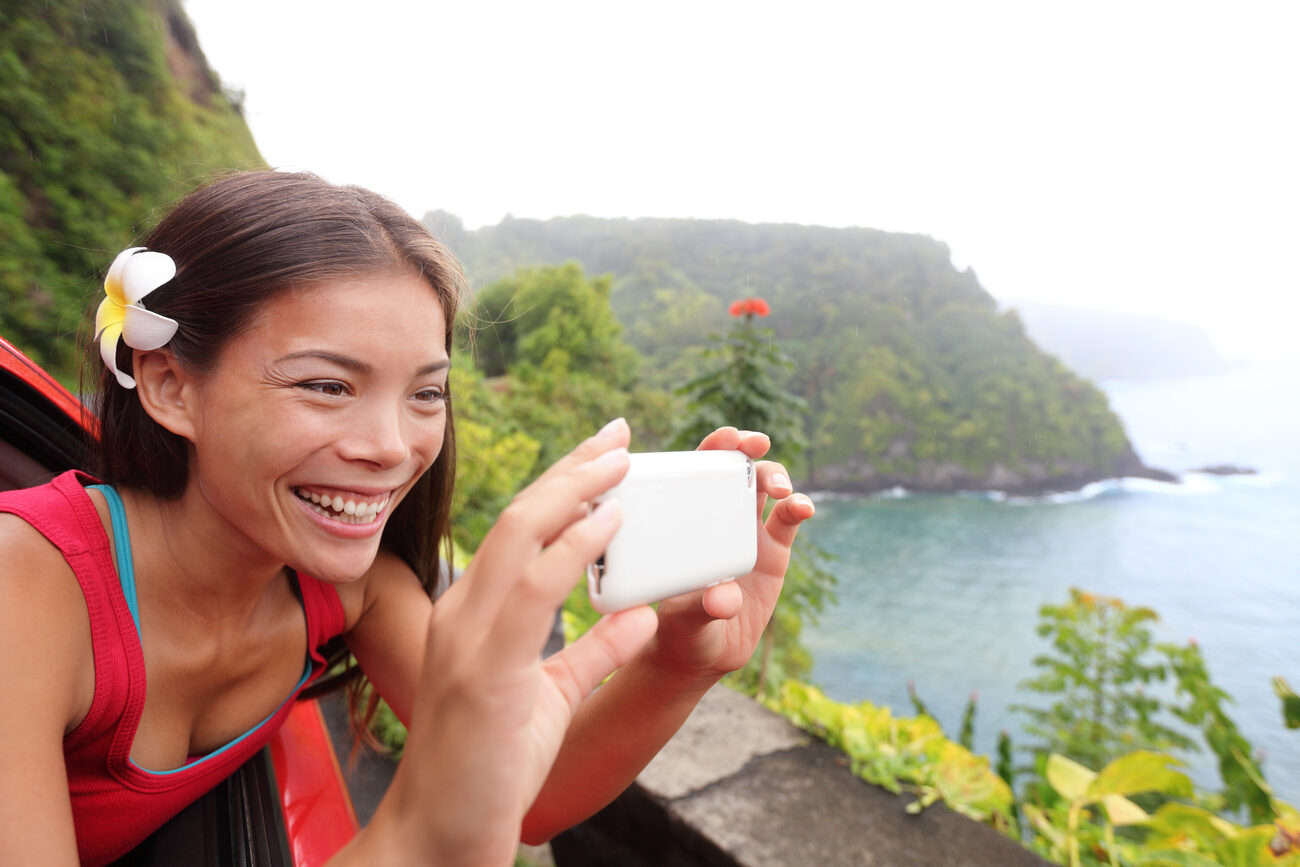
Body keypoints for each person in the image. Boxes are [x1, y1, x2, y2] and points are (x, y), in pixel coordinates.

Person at [0, 171, 815, 866]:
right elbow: (453, 817)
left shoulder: (344, 591)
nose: (392, 448)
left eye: (425, 392)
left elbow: (516, 788)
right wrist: (419, 837)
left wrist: (680, 664)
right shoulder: (27, 591)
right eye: (327, 385)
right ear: (172, 384)